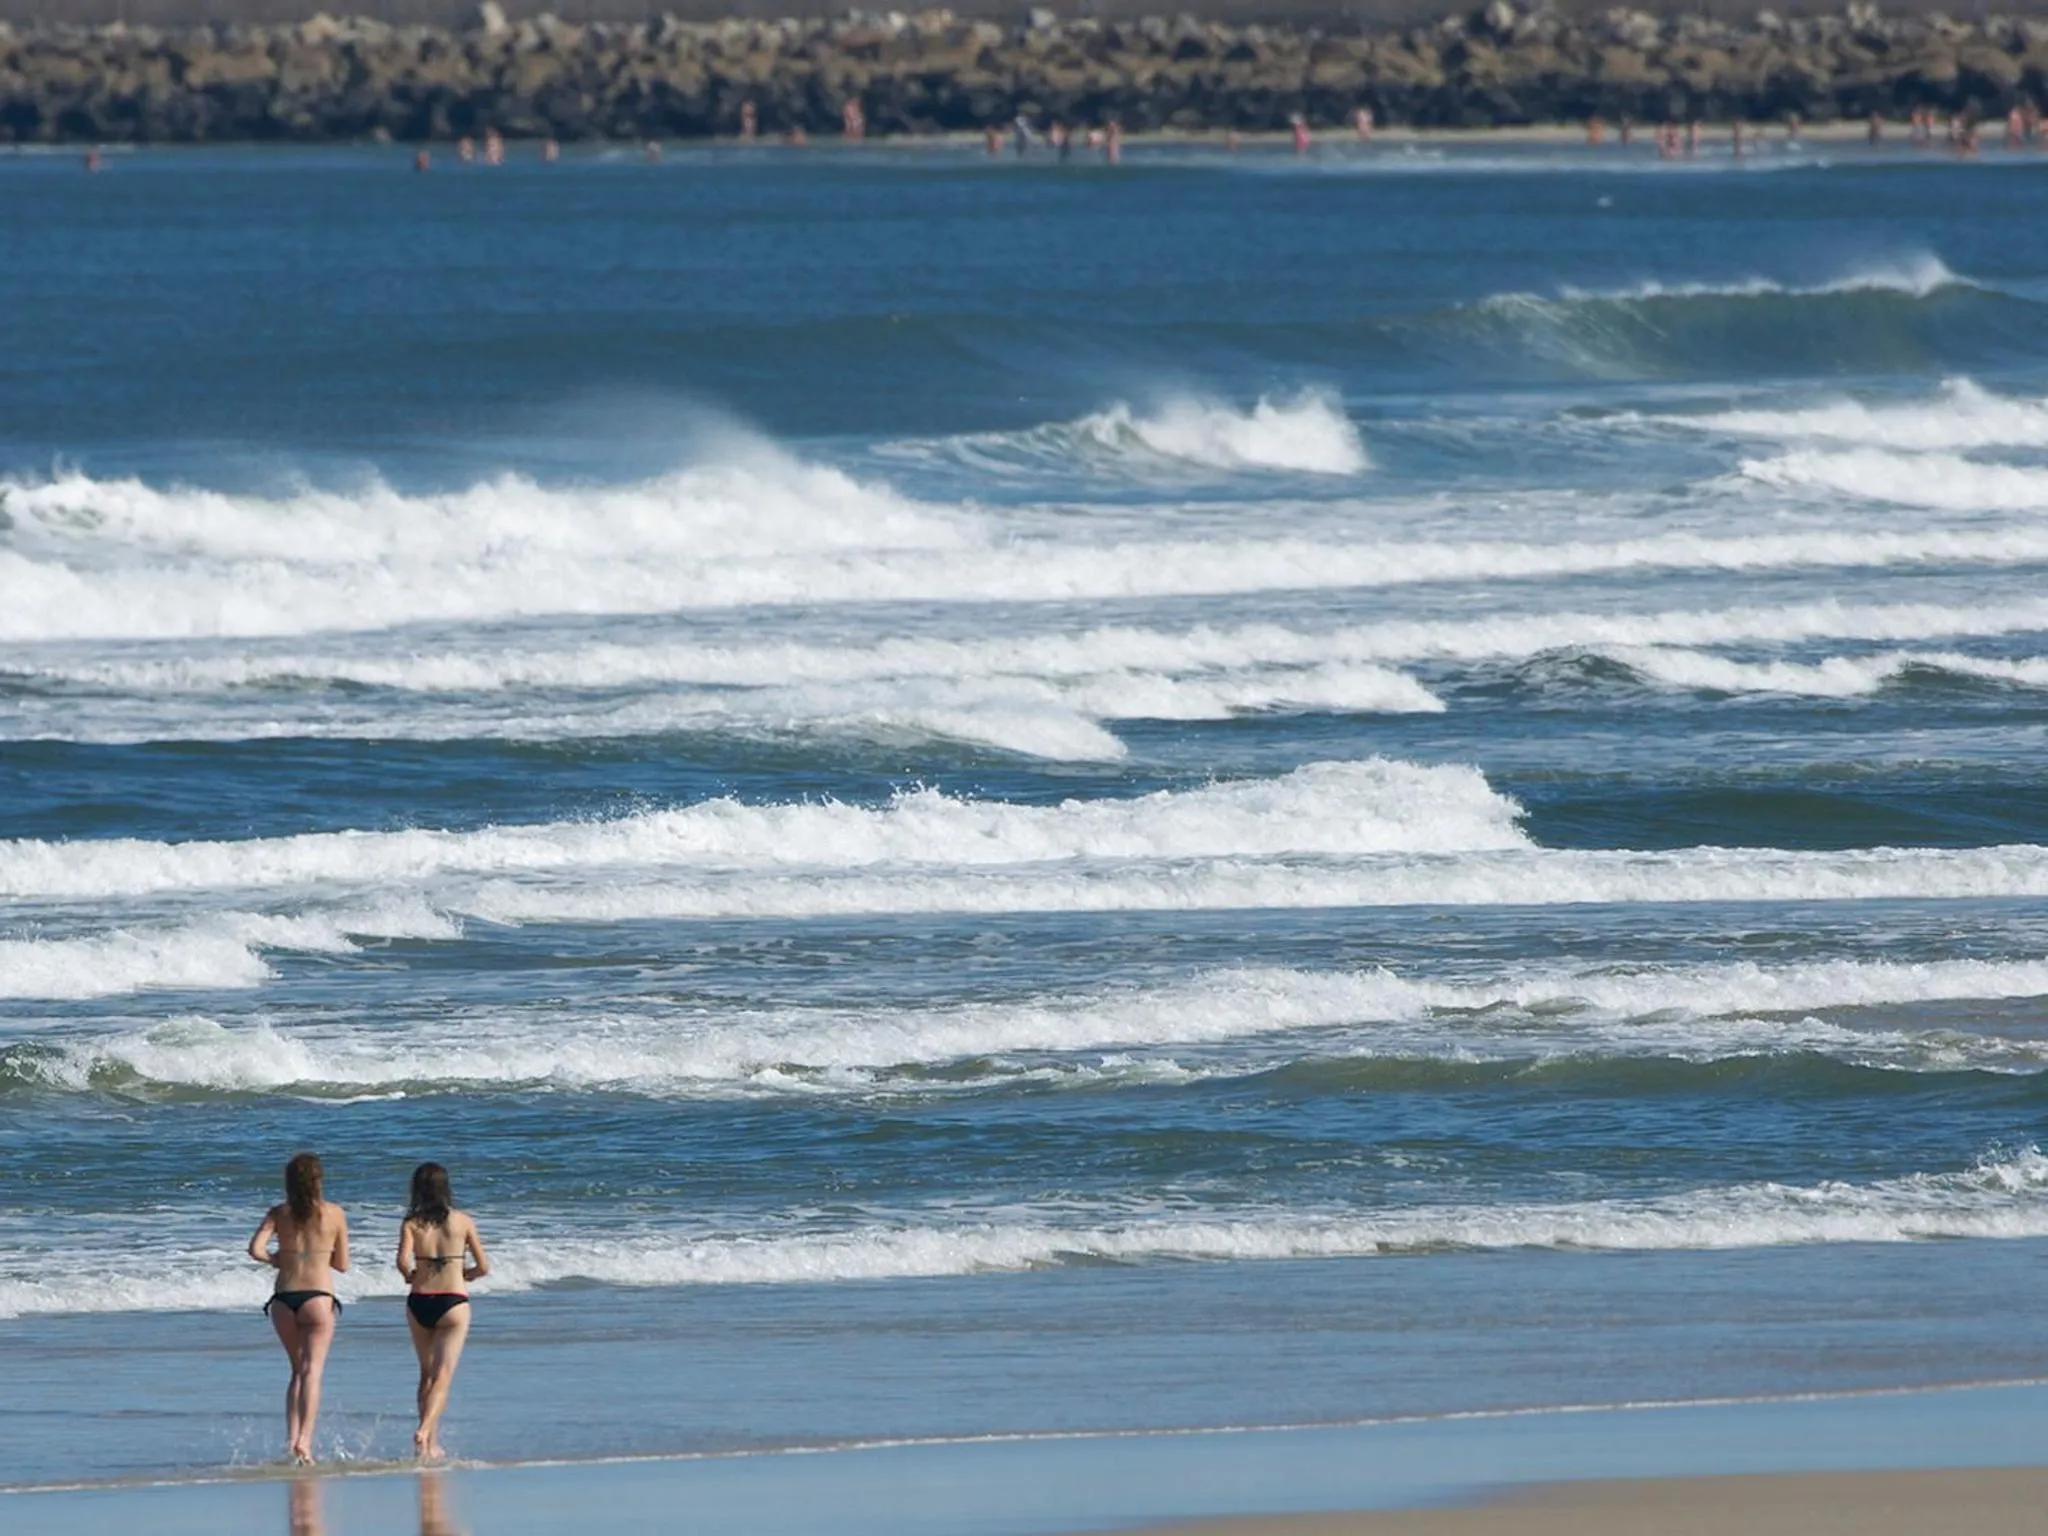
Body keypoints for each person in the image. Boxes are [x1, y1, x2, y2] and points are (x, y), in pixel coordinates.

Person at [248, 1152, 348, 1465]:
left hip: (283, 1299)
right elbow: (342, 1264)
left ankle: (292, 1439)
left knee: (296, 1370)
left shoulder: (279, 1213)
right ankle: (306, 1440)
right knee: (312, 1370)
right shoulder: (333, 1214)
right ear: (319, 1181)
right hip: (318, 1297)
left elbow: (255, 1249)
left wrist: (278, 1259)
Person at [397, 1162, 491, 1462]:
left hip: (420, 1300)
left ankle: (427, 1444)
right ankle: (426, 1430)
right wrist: (468, 1275)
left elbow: (401, 1262)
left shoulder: (411, 1222)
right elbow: (484, 1266)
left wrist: (410, 1275)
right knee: (443, 1374)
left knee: (426, 1374)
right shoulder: (463, 1221)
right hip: (453, 1301)